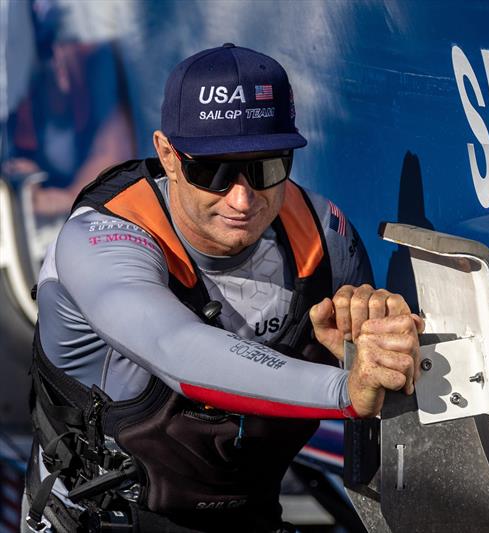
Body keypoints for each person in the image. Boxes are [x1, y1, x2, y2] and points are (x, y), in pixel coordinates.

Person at [23, 43, 423, 533]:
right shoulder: (101, 240)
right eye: (211, 171)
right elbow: (177, 350)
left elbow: (382, 420)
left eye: (266, 168)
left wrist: (355, 347)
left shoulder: (324, 239)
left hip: (249, 515)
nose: (242, 198)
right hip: (97, 519)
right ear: (168, 156)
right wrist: (345, 387)